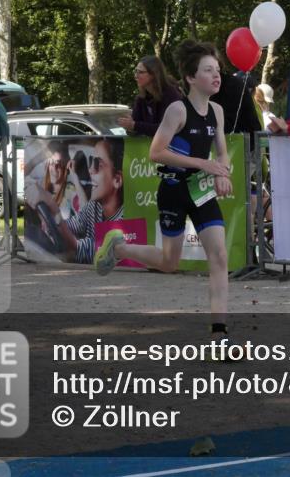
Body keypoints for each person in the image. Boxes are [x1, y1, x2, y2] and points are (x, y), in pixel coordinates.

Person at [96, 40, 236, 348]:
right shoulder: (177, 110)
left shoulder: (218, 112)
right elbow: (156, 152)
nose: (216, 76)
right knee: (170, 263)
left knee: (219, 255)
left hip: (201, 193)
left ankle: (219, 334)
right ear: (190, 77)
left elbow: (222, 153)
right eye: (208, 70)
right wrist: (204, 163)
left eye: (218, 70)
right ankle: (119, 248)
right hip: (173, 191)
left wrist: (222, 172)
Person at [25, 138, 124, 264]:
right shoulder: (94, 207)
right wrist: (51, 224)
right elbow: (72, 225)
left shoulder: (125, 219)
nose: (90, 170)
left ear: (117, 180)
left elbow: (82, 249)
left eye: (97, 164)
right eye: (90, 162)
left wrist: (54, 210)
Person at [118, 55, 183, 137]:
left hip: (175, 146)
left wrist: (134, 125)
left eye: (141, 72)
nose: (136, 76)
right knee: (103, 141)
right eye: (136, 71)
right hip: (150, 145)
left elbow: (166, 129)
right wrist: (129, 127)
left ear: (154, 75)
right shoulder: (141, 98)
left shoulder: (171, 95)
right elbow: (135, 128)